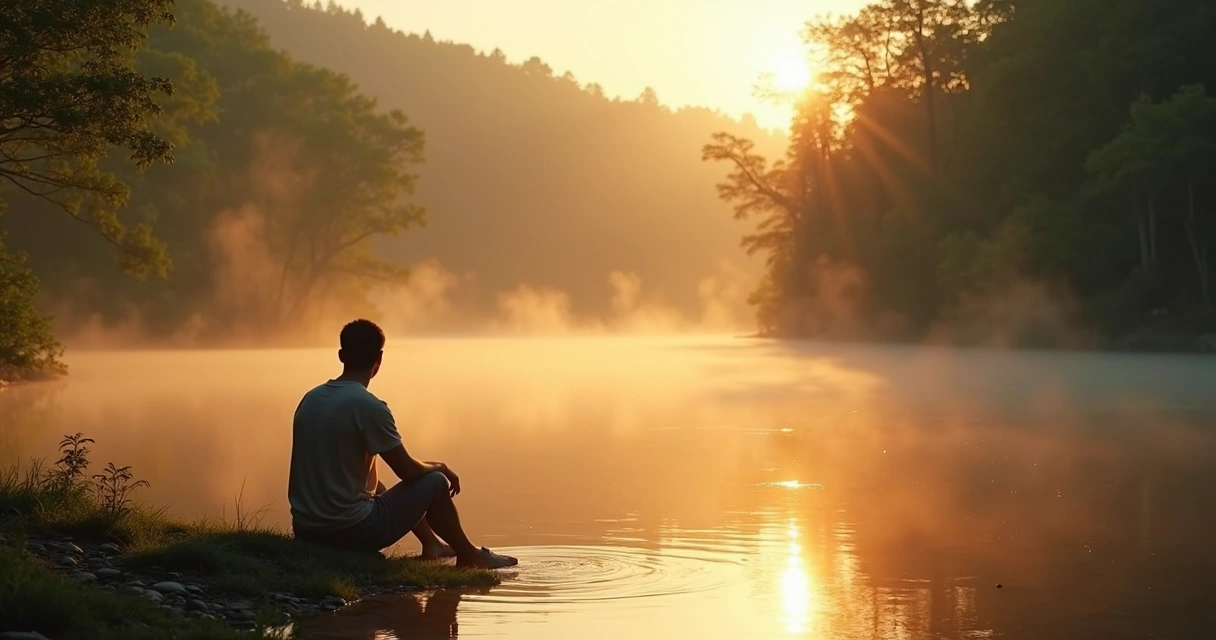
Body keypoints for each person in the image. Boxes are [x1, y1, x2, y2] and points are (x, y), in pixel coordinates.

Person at [288, 319, 517, 568]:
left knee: (377, 485)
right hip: (352, 531)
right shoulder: (369, 407)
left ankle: (432, 543)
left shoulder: (310, 399)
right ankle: (469, 554)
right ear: (379, 359)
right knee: (434, 482)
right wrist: (440, 466)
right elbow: (407, 470)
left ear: (341, 355)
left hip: (306, 530)